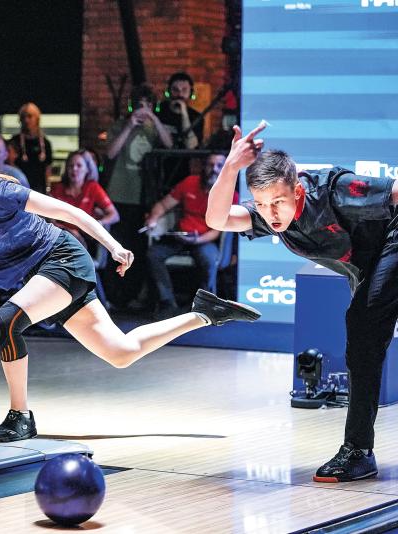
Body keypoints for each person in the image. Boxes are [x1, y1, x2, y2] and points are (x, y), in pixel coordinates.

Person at [0, 119, 261, 442]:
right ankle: (204, 313)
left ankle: (20, 416)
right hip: (37, 276)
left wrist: (114, 246)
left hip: (60, 261)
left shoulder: (0, 190)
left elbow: (69, 212)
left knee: (6, 320)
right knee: (121, 352)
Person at [206, 121, 398, 483]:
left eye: (278, 202)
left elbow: (395, 192)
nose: (270, 213)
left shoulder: (333, 190)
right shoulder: (270, 215)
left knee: (363, 327)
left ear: (297, 191)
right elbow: (217, 218)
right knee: (363, 342)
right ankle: (359, 450)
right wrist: (230, 166)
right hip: (370, 266)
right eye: (261, 204)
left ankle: (357, 450)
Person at [105, 84, 173, 310]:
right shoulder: (120, 125)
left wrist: (153, 119)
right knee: (117, 245)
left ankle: (135, 294)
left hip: (145, 195)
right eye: (139, 105)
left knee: (139, 248)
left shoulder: (154, 128)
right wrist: (129, 126)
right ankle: (115, 296)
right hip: (119, 193)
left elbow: (169, 144)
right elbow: (110, 153)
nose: (142, 109)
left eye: (147, 105)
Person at [145, 153, 232, 318]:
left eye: (219, 165)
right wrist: (153, 218)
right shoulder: (190, 182)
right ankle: (167, 303)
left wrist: (197, 240)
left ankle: (204, 308)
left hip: (205, 239)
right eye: (210, 165)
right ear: (203, 167)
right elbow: (163, 204)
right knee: (153, 254)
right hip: (181, 237)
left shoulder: (228, 192)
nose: (214, 169)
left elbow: (219, 230)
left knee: (209, 259)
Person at [50, 149, 119, 249]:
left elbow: (114, 215)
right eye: (71, 166)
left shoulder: (92, 187)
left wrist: (98, 224)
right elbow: (49, 220)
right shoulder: (57, 188)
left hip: (85, 237)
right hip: (61, 236)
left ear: (87, 169)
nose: (74, 169)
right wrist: (69, 231)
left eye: (79, 165)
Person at [9, 103, 52, 194]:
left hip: (40, 189)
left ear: (37, 119)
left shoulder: (45, 143)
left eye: (29, 116)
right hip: (19, 188)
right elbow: (9, 164)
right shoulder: (14, 142)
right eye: (23, 117)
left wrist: (48, 188)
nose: (26, 120)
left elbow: (48, 168)